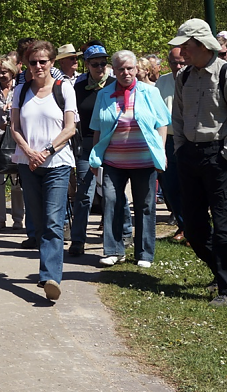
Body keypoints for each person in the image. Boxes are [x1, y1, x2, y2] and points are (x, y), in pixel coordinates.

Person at [170, 18, 227, 306]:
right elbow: (177, 116)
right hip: (189, 155)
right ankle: (223, 271)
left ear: (202, 45)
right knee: (193, 228)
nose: (181, 52)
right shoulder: (184, 77)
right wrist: (180, 148)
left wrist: (226, 153)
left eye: (186, 45)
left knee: (225, 224)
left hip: (219, 156)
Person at [89, 50, 170, 268]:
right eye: (121, 69)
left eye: (130, 68)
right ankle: (113, 250)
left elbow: (162, 123)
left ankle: (144, 253)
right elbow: (97, 128)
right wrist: (96, 159)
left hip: (144, 160)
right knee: (112, 203)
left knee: (145, 205)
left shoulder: (149, 93)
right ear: (113, 71)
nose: (126, 73)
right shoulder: (103, 95)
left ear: (136, 69)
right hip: (113, 161)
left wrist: (160, 152)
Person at [11, 40, 77, 301]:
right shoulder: (21, 90)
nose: (38, 66)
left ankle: (50, 276)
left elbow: (70, 128)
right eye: (33, 62)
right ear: (27, 65)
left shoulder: (64, 88)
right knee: (37, 220)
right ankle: (47, 269)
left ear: (52, 63)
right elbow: (14, 127)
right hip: (28, 163)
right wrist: (28, 152)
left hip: (57, 164)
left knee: (52, 220)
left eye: (43, 62)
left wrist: (47, 151)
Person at [68, 45, 116, 256]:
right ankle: (78, 239)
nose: (100, 67)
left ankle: (120, 235)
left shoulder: (115, 85)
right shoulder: (77, 88)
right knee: (84, 194)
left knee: (112, 193)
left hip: (113, 144)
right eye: (95, 64)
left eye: (103, 63)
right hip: (87, 145)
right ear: (86, 65)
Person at [0, 57, 25, 232]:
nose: (2, 75)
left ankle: (18, 219)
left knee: (17, 182)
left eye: (5, 71)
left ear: (12, 72)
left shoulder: (20, 90)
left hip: (16, 140)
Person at [154, 47, 187, 241]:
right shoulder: (162, 81)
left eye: (182, 62)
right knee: (170, 186)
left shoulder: (193, 79)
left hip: (189, 140)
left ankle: (191, 228)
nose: (178, 66)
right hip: (167, 140)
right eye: (174, 62)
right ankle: (183, 225)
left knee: (189, 186)